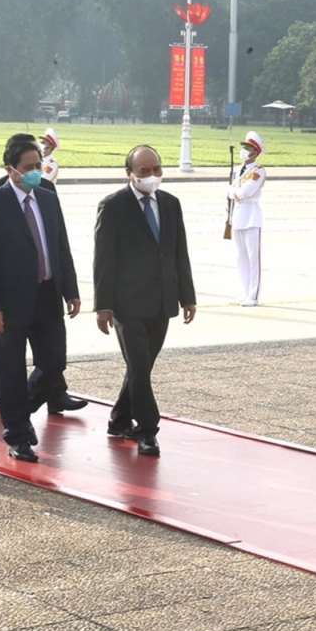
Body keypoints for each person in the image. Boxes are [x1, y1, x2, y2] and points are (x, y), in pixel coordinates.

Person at [0, 136, 81, 463]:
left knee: (54, 362)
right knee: (10, 370)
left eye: (38, 166)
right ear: (10, 169)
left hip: (47, 296)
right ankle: (17, 435)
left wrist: (71, 290)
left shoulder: (47, 197)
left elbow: (61, 246)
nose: (35, 173)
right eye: (28, 168)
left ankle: (20, 411)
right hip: (9, 303)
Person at [94, 145, 197, 457]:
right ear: (130, 174)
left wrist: (187, 297)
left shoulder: (170, 203)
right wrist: (103, 305)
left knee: (142, 368)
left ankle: (118, 419)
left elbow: (179, 252)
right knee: (138, 367)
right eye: (143, 171)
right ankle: (147, 430)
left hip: (163, 301)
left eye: (156, 170)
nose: (151, 176)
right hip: (127, 303)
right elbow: (104, 259)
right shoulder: (113, 206)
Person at [229, 131, 265, 307]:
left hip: (251, 215)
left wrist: (234, 192)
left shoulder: (258, 171)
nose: (243, 151)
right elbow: (231, 192)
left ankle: (253, 295)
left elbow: (245, 192)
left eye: (248, 148)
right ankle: (244, 292)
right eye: (243, 147)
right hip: (238, 215)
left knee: (253, 258)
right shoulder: (238, 170)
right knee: (240, 257)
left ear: (255, 152)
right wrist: (234, 193)